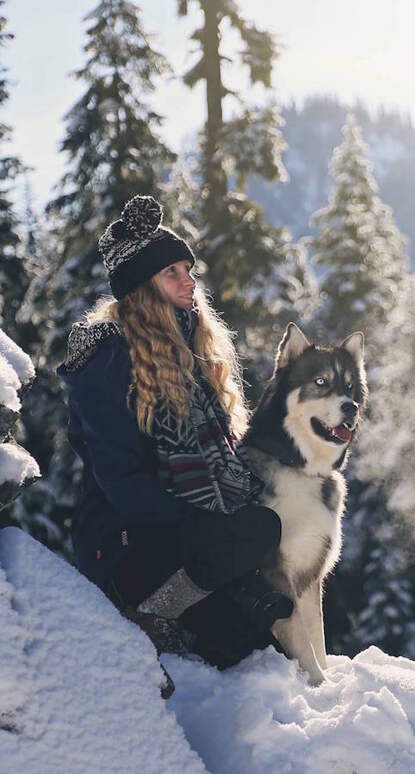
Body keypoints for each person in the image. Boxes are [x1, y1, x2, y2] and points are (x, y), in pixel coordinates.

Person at [56, 195, 293, 676]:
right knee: (255, 529)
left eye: (189, 269)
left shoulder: (191, 352)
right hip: (124, 541)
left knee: (246, 651)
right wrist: (199, 522)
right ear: (143, 289)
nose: (189, 281)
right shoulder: (108, 359)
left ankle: (194, 602)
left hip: (183, 540)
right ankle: (149, 610)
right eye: (172, 273)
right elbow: (123, 482)